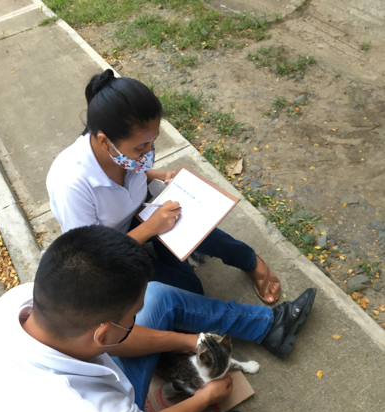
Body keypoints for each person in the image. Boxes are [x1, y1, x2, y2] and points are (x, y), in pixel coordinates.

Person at [0, 226, 316, 412]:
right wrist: (204, 397)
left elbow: (116, 338)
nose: (138, 318)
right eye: (133, 316)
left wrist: (189, 340)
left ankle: (268, 326)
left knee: (160, 299)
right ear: (102, 335)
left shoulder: (16, 305)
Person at [47, 69, 281, 303]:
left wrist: (157, 175)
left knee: (193, 218)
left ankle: (249, 260)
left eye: (153, 141)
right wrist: (150, 228)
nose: (148, 152)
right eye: (141, 147)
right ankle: (163, 249)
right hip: (109, 248)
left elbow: (132, 171)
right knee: (191, 291)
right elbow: (89, 258)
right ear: (105, 142)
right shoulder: (71, 183)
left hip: (141, 214)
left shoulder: (124, 153)